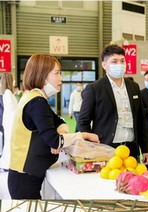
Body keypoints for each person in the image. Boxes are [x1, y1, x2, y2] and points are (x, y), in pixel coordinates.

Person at [8, 55, 99, 198]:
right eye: (56, 73)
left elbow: (59, 120)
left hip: (25, 175)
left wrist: (61, 133)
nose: (61, 78)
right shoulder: (37, 102)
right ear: (42, 75)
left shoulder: (34, 97)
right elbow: (54, 141)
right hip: (24, 178)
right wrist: (82, 135)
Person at [78, 44, 148, 164]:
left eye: (122, 61)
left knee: (130, 176)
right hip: (105, 147)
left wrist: (145, 148)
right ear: (104, 65)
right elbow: (83, 121)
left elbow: (140, 119)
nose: (119, 65)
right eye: (114, 61)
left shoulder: (134, 86)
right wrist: (92, 146)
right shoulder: (94, 88)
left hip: (130, 147)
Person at [0, 72, 17, 172]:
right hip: (10, 122)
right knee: (9, 143)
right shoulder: (8, 93)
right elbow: (12, 109)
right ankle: (6, 164)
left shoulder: (7, 93)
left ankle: (7, 163)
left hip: (9, 122)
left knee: (9, 142)